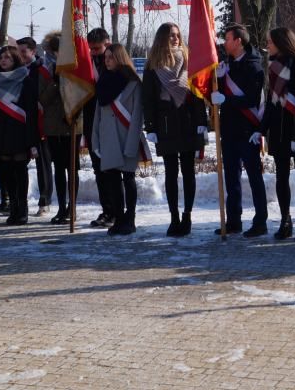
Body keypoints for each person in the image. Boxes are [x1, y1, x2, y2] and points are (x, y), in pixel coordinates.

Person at [142, 22, 208, 237]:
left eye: (178, 35)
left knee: (189, 173)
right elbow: (148, 99)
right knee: (171, 174)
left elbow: (197, 94)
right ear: (162, 37)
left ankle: (187, 216)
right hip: (165, 125)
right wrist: (150, 126)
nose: (175, 39)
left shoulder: (190, 60)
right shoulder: (152, 65)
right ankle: (174, 218)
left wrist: (202, 122)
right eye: (171, 35)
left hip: (189, 122)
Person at [259, 27, 295, 241]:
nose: (268, 46)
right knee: (281, 177)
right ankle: (286, 220)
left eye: (271, 42)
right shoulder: (274, 67)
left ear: (282, 43)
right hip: (278, 130)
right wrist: (260, 129)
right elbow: (271, 104)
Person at [211, 24, 269, 237]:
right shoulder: (228, 66)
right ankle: (233, 221)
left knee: (255, 178)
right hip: (228, 132)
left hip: (247, 133)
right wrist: (218, 79)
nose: (223, 43)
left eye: (227, 39)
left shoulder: (254, 68)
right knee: (231, 181)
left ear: (238, 41)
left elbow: (252, 100)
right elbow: (219, 93)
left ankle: (260, 222)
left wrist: (226, 100)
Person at [92, 43, 151, 236]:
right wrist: (95, 141)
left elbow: (137, 116)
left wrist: (133, 142)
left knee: (128, 179)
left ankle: (130, 219)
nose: (106, 60)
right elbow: (97, 116)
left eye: (110, 57)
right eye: (106, 57)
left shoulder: (133, 83)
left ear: (120, 58)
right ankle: (118, 219)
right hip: (108, 138)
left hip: (127, 137)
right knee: (113, 181)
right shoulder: (102, 82)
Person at [0, 45, 39, 225]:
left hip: (20, 133)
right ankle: (13, 207)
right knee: (7, 172)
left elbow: (32, 113)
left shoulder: (27, 81)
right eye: (2, 57)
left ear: (16, 59)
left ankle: (23, 208)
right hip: (1, 133)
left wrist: (31, 139)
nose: (3, 60)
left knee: (20, 172)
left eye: (8, 57)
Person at [38, 31, 81, 224]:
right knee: (59, 168)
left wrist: (73, 115)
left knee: (72, 168)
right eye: (55, 51)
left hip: (73, 125)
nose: (58, 55)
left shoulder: (77, 68)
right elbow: (44, 99)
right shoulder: (44, 71)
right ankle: (62, 207)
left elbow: (82, 96)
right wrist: (55, 81)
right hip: (54, 126)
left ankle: (72, 208)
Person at [84, 28, 115, 228]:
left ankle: (118, 211)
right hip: (90, 122)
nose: (95, 53)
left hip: (111, 122)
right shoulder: (86, 64)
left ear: (107, 44)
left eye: (98, 48)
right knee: (98, 169)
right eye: (91, 49)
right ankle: (107, 210)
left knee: (112, 170)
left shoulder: (116, 63)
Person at [17, 36, 52, 216]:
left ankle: (45, 201)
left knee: (42, 162)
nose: (20, 55)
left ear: (34, 51)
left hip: (39, 121)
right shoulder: (15, 69)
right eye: (18, 51)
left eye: (24, 51)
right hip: (19, 121)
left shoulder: (41, 69)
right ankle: (16, 202)